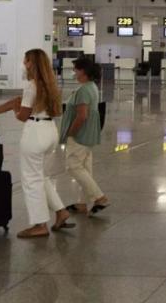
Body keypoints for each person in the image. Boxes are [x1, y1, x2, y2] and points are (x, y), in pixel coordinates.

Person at [0, 49, 72, 238]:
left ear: (32, 64)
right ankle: (61, 211)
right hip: (50, 132)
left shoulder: (31, 85)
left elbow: (22, 115)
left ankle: (39, 224)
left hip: (34, 134)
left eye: (26, 60)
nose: (24, 63)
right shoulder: (51, 85)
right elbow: (17, 101)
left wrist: (15, 110)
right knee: (42, 177)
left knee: (31, 180)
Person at [61, 57, 108, 216]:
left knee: (73, 166)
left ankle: (99, 197)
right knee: (85, 167)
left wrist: (70, 133)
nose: (73, 72)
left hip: (80, 135)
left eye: (75, 69)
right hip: (89, 134)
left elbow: (82, 116)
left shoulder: (83, 90)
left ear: (83, 71)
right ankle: (82, 203)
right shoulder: (91, 87)